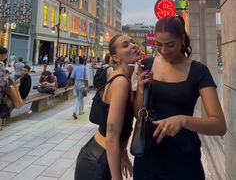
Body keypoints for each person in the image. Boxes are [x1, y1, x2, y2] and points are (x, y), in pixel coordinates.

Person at [133, 16, 227, 180]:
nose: (164, 50)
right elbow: (139, 115)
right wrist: (141, 90)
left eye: (170, 45)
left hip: (184, 160)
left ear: (182, 39)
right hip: (148, 158)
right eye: (159, 45)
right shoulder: (146, 65)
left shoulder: (199, 71)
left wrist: (183, 120)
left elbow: (219, 125)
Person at [74, 34, 141, 180]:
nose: (133, 45)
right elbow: (111, 138)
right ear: (116, 58)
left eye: (132, 42)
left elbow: (126, 123)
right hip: (98, 160)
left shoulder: (124, 78)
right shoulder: (120, 82)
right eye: (125, 45)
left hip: (102, 155)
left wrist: (123, 155)